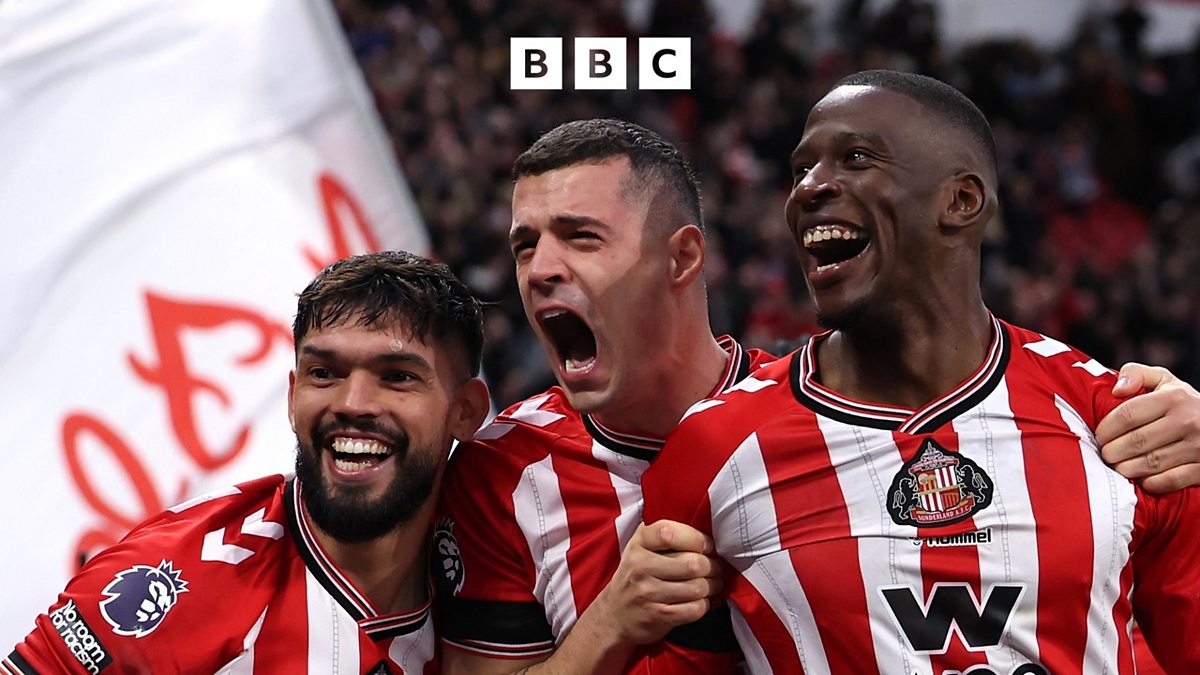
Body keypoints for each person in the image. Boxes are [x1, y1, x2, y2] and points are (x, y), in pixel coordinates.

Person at [433, 118, 1200, 675]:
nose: (539, 269)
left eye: (580, 236)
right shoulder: (500, 469)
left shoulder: (810, 415)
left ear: (683, 258)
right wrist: (612, 620)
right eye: (525, 244)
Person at [642, 70, 1200, 674]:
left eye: (855, 158)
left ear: (961, 201)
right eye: (801, 169)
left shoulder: (1129, 423)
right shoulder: (715, 448)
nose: (807, 188)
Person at [6, 251, 490, 674]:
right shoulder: (181, 578)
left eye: (397, 377)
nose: (352, 403)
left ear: (465, 411)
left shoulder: (498, 572)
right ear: (293, 396)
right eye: (325, 373)